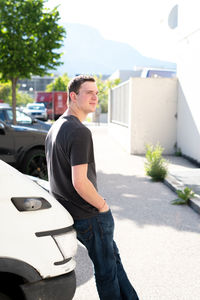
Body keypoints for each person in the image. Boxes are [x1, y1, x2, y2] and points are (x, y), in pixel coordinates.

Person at [45, 75, 139, 300]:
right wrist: (103, 206)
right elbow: (80, 182)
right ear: (73, 96)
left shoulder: (55, 128)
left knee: (113, 262)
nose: (95, 97)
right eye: (89, 92)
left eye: (97, 93)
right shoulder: (79, 131)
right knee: (107, 272)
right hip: (91, 216)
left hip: (74, 215)